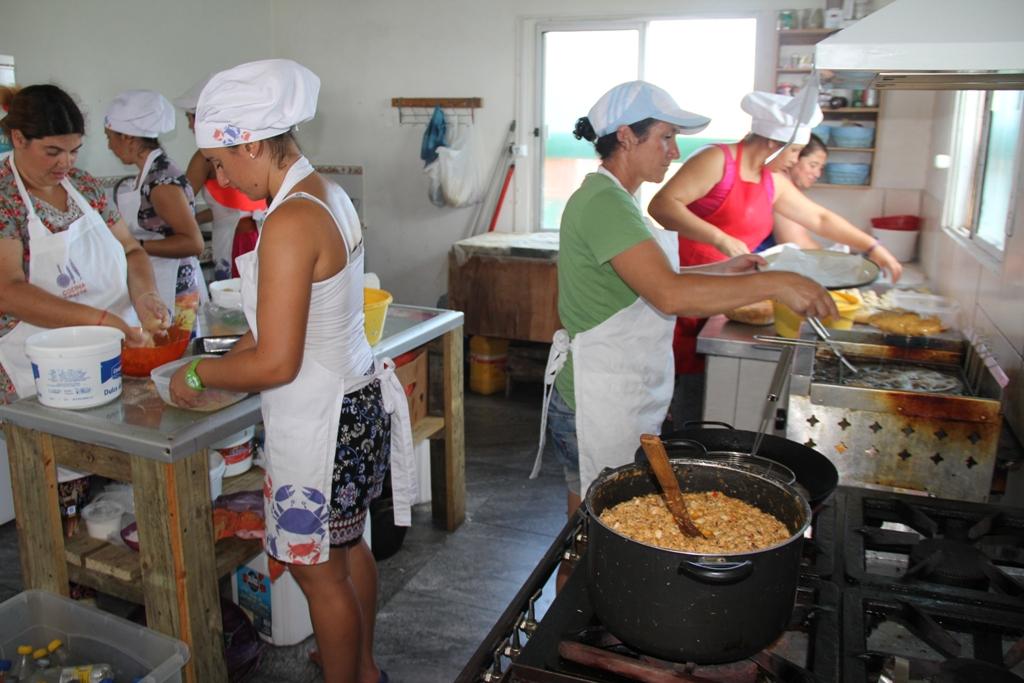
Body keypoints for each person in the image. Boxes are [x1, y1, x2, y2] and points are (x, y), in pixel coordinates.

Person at [530, 81, 837, 589]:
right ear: (626, 136)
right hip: (594, 397)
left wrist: (731, 270)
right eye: (666, 138)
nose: (675, 152)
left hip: (614, 389)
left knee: (596, 530)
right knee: (590, 535)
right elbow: (669, 294)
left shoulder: (619, 200)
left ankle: (576, 623)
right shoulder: (604, 203)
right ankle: (567, 635)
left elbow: (649, 285)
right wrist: (779, 282)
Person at [169, 59, 413, 683]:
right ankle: (361, 666)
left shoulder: (288, 222)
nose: (218, 177)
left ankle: (348, 675)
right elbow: (280, 321)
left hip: (321, 423)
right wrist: (220, 359)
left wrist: (197, 377)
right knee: (347, 547)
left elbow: (276, 360)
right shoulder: (321, 194)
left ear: (250, 141)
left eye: (221, 161)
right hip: (353, 403)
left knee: (315, 570)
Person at [648, 90, 902, 426]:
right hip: (686, 289)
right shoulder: (718, 161)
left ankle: (687, 451)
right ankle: (668, 453)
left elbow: (820, 219)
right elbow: (662, 206)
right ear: (773, 143)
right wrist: (720, 238)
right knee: (677, 390)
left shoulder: (771, 182)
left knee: (701, 395)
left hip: (725, 295)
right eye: (795, 151)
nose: (796, 161)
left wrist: (872, 248)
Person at [0, 84, 169, 405]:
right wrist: (104, 322)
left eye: (74, 150)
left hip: (113, 350)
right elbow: (8, 291)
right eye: (52, 152)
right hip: (40, 364)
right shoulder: (5, 197)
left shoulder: (84, 185)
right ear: (19, 139)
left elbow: (131, 250)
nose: (65, 163)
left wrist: (145, 295)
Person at [104, 90, 207, 330]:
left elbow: (194, 243)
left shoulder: (161, 183)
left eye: (110, 137)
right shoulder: (149, 174)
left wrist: (135, 247)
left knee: (175, 360)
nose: (109, 145)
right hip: (157, 281)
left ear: (128, 137)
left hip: (175, 288)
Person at [173, 78, 266, 281]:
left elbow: (180, 202)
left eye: (190, 117)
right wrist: (196, 220)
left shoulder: (204, 157)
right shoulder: (243, 148)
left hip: (236, 241)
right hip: (260, 236)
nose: (189, 124)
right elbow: (231, 208)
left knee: (235, 303)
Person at [761, 133, 829, 250]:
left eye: (820, 168)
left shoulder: (785, 184)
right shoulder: (778, 182)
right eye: (813, 166)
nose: (818, 174)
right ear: (794, 158)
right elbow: (797, 243)